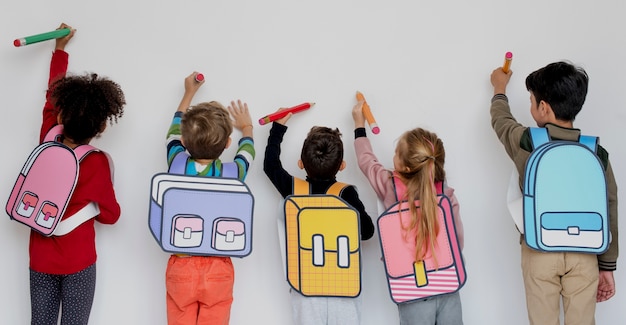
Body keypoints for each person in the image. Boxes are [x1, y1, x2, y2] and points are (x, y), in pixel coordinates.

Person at [489, 61, 618, 324]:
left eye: (532, 101)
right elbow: (610, 206)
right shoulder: (596, 152)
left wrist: (499, 88)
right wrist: (607, 264)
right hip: (585, 253)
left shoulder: (527, 142)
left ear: (543, 108)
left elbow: (501, 121)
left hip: (539, 250)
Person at [29, 23, 126, 325]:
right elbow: (111, 216)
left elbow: (51, 95)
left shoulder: (47, 140)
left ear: (59, 116)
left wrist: (60, 50)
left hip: (40, 258)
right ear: (101, 128)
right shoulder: (96, 163)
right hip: (79, 263)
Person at [352, 101, 465, 325]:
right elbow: (457, 242)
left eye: (396, 152)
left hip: (411, 288)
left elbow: (367, 162)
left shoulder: (390, 185)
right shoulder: (445, 195)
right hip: (447, 285)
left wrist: (358, 125)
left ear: (404, 168)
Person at [263, 108, 375, 325]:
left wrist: (278, 128)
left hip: (305, 286)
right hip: (344, 288)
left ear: (301, 163)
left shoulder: (294, 190)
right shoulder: (346, 193)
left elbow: (270, 165)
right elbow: (367, 232)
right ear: (342, 166)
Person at [164, 71, 255, 325]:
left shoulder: (178, 164)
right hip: (218, 267)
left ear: (184, 141)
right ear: (227, 143)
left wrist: (188, 93)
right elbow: (247, 155)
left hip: (182, 264)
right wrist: (247, 128)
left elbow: (171, 135)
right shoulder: (231, 174)